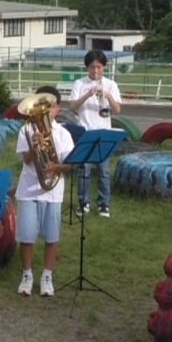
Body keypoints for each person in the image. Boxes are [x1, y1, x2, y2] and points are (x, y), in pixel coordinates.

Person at [15, 94, 74, 297]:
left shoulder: (64, 134)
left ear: (57, 108)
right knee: (27, 235)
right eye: (42, 108)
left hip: (53, 191)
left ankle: (47, 276)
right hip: (29, 189)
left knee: (52, 236)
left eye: (50, 108)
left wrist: (57, 166)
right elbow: (27, 160)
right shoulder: (26, 130)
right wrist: (34, 145)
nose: (47, 112)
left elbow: (70, 164)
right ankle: (27, 275)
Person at [69, 50, 123, 218]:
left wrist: (106, 95)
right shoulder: (79, 84)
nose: (95, 71)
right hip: (85, 131)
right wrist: (88, 94)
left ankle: (103, 204)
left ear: (104, 67)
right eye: (92, 68)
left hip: (103, 133)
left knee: (104, 171)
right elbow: (73, 107)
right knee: (84, 170)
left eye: (99, 67)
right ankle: (83, 202)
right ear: (87, 68)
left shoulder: (111, 85)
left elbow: (117, 110)